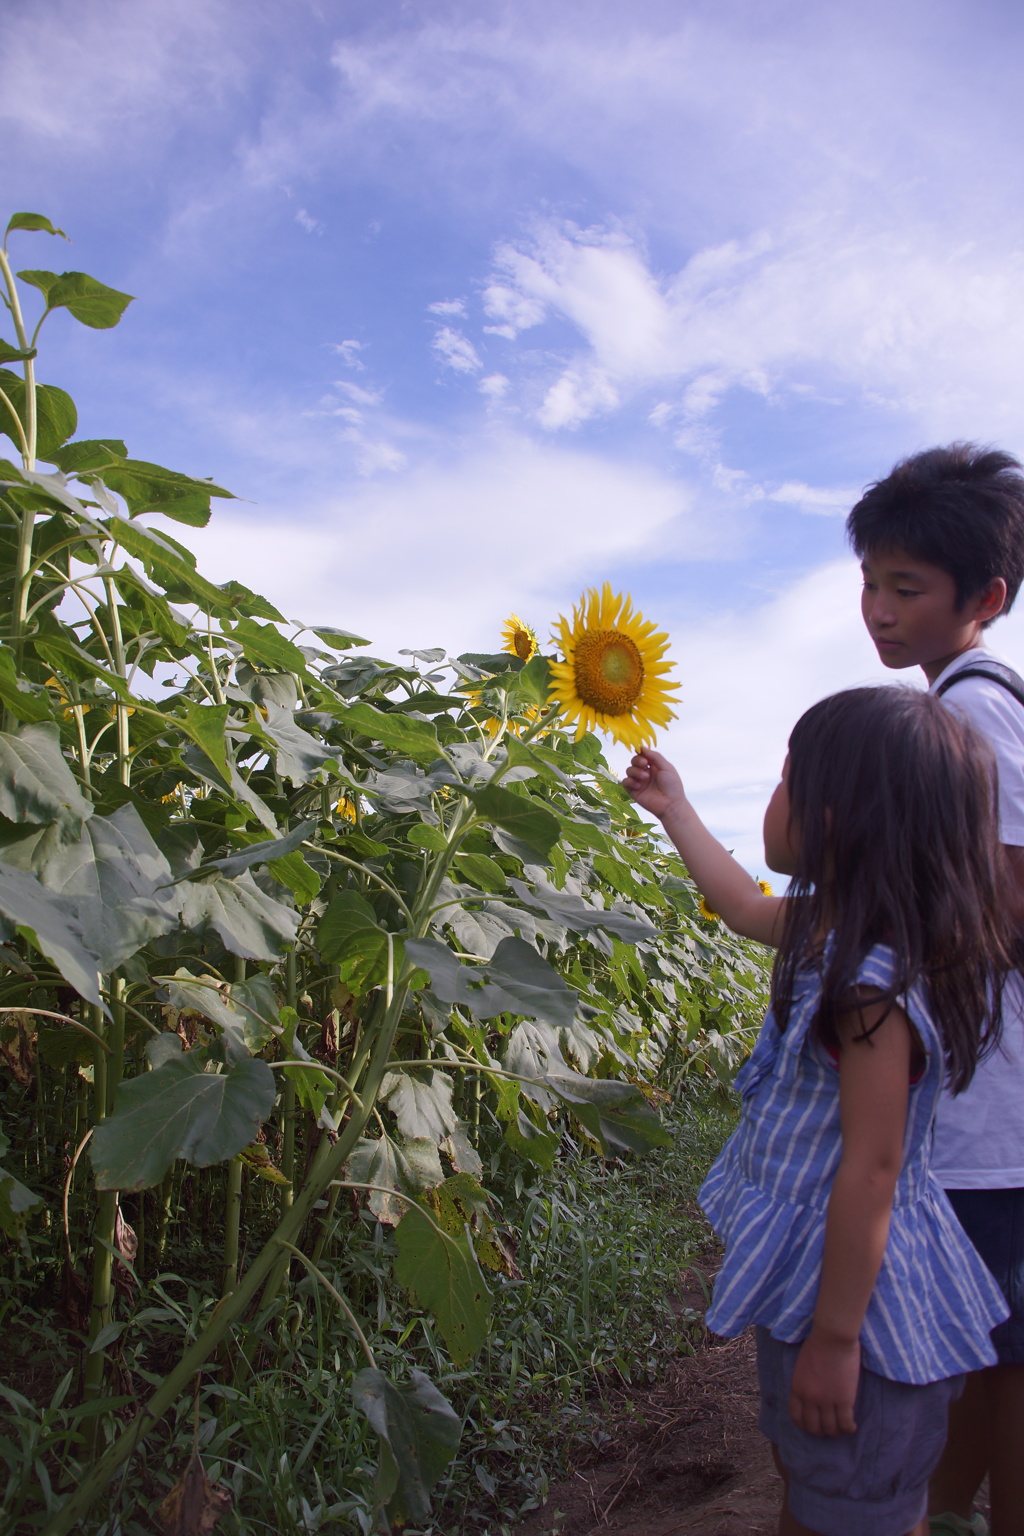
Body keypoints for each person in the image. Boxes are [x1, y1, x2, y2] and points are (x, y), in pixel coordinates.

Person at [623, 687, 1015, 1536]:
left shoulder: (873, 984)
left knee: (857, 1504)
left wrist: (837, 1343)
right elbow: (741, 906)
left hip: (860, 1316)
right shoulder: (835, 928)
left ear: (836, 818)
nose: (774, 794)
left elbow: (872, 1172)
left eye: (786, 777)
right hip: (827, 1287)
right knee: (823, 1489)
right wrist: (675, 809)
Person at [848, 444, 1024, 1536]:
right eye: (869, 584)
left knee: (998, 1359)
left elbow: (1004, 900)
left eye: (904, 589)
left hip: (985, 1107)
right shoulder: (967, 702)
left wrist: (880, 969)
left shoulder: (971, 715)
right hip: (983, 1101)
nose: (876, 610)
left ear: (984, 598)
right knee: (979, 1346)